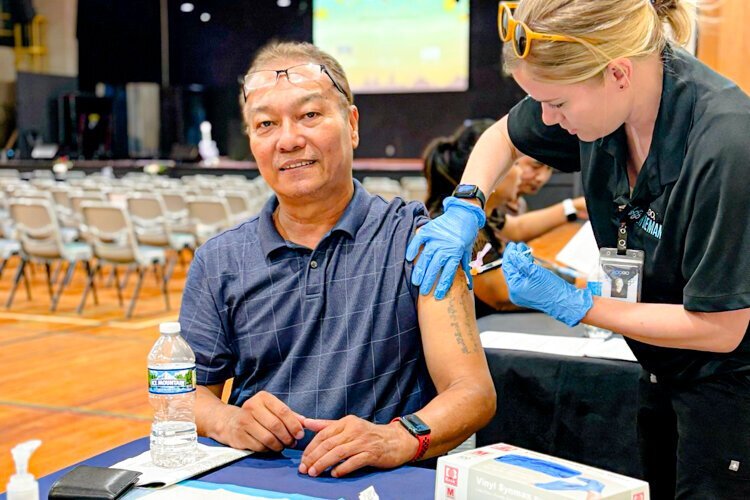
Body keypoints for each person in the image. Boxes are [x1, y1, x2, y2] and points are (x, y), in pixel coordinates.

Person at [407, 0, 750, 497]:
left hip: (731, 383)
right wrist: (466, 204)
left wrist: (582, 305)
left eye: (558, 104)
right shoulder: (607, 106)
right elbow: (503, 134)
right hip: (660, 369)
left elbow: (722, 328)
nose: (546, 118)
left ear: (617, 73)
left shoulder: (725, 145)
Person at [178, 41, 495, 479]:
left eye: (310, 115)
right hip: (255, 482)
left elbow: (472, 391)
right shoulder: (220, 260)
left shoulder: (419, 239)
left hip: (380, 481)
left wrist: (396, 438)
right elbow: (180, 394)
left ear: (352, 124)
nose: (289, 140)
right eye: (266, 123)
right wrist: (228, 420)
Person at [423, 119, 585, 316]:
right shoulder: (460, 226)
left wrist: (573, 207)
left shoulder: (485, 214)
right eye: (515, 164)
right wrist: (579, 284)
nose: (521, 174)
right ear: (491, 172)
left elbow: (517, 228)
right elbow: (501, 294)